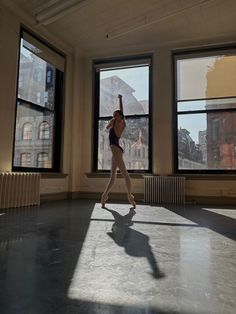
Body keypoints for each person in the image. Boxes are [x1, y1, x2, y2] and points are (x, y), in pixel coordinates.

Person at [101, 94, 136, 209]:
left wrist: (120, 99)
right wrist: (109, 123)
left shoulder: (121, 123)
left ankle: (129, 196)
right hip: (114, 150)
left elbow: (121, 111)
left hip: (116, 149)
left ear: (121, 116)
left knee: (125, 175)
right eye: (113, 115)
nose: (114, 116)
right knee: (113, 176)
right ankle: (105, 195)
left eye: (116, 115)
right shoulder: (114, 121)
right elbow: (107, 127)